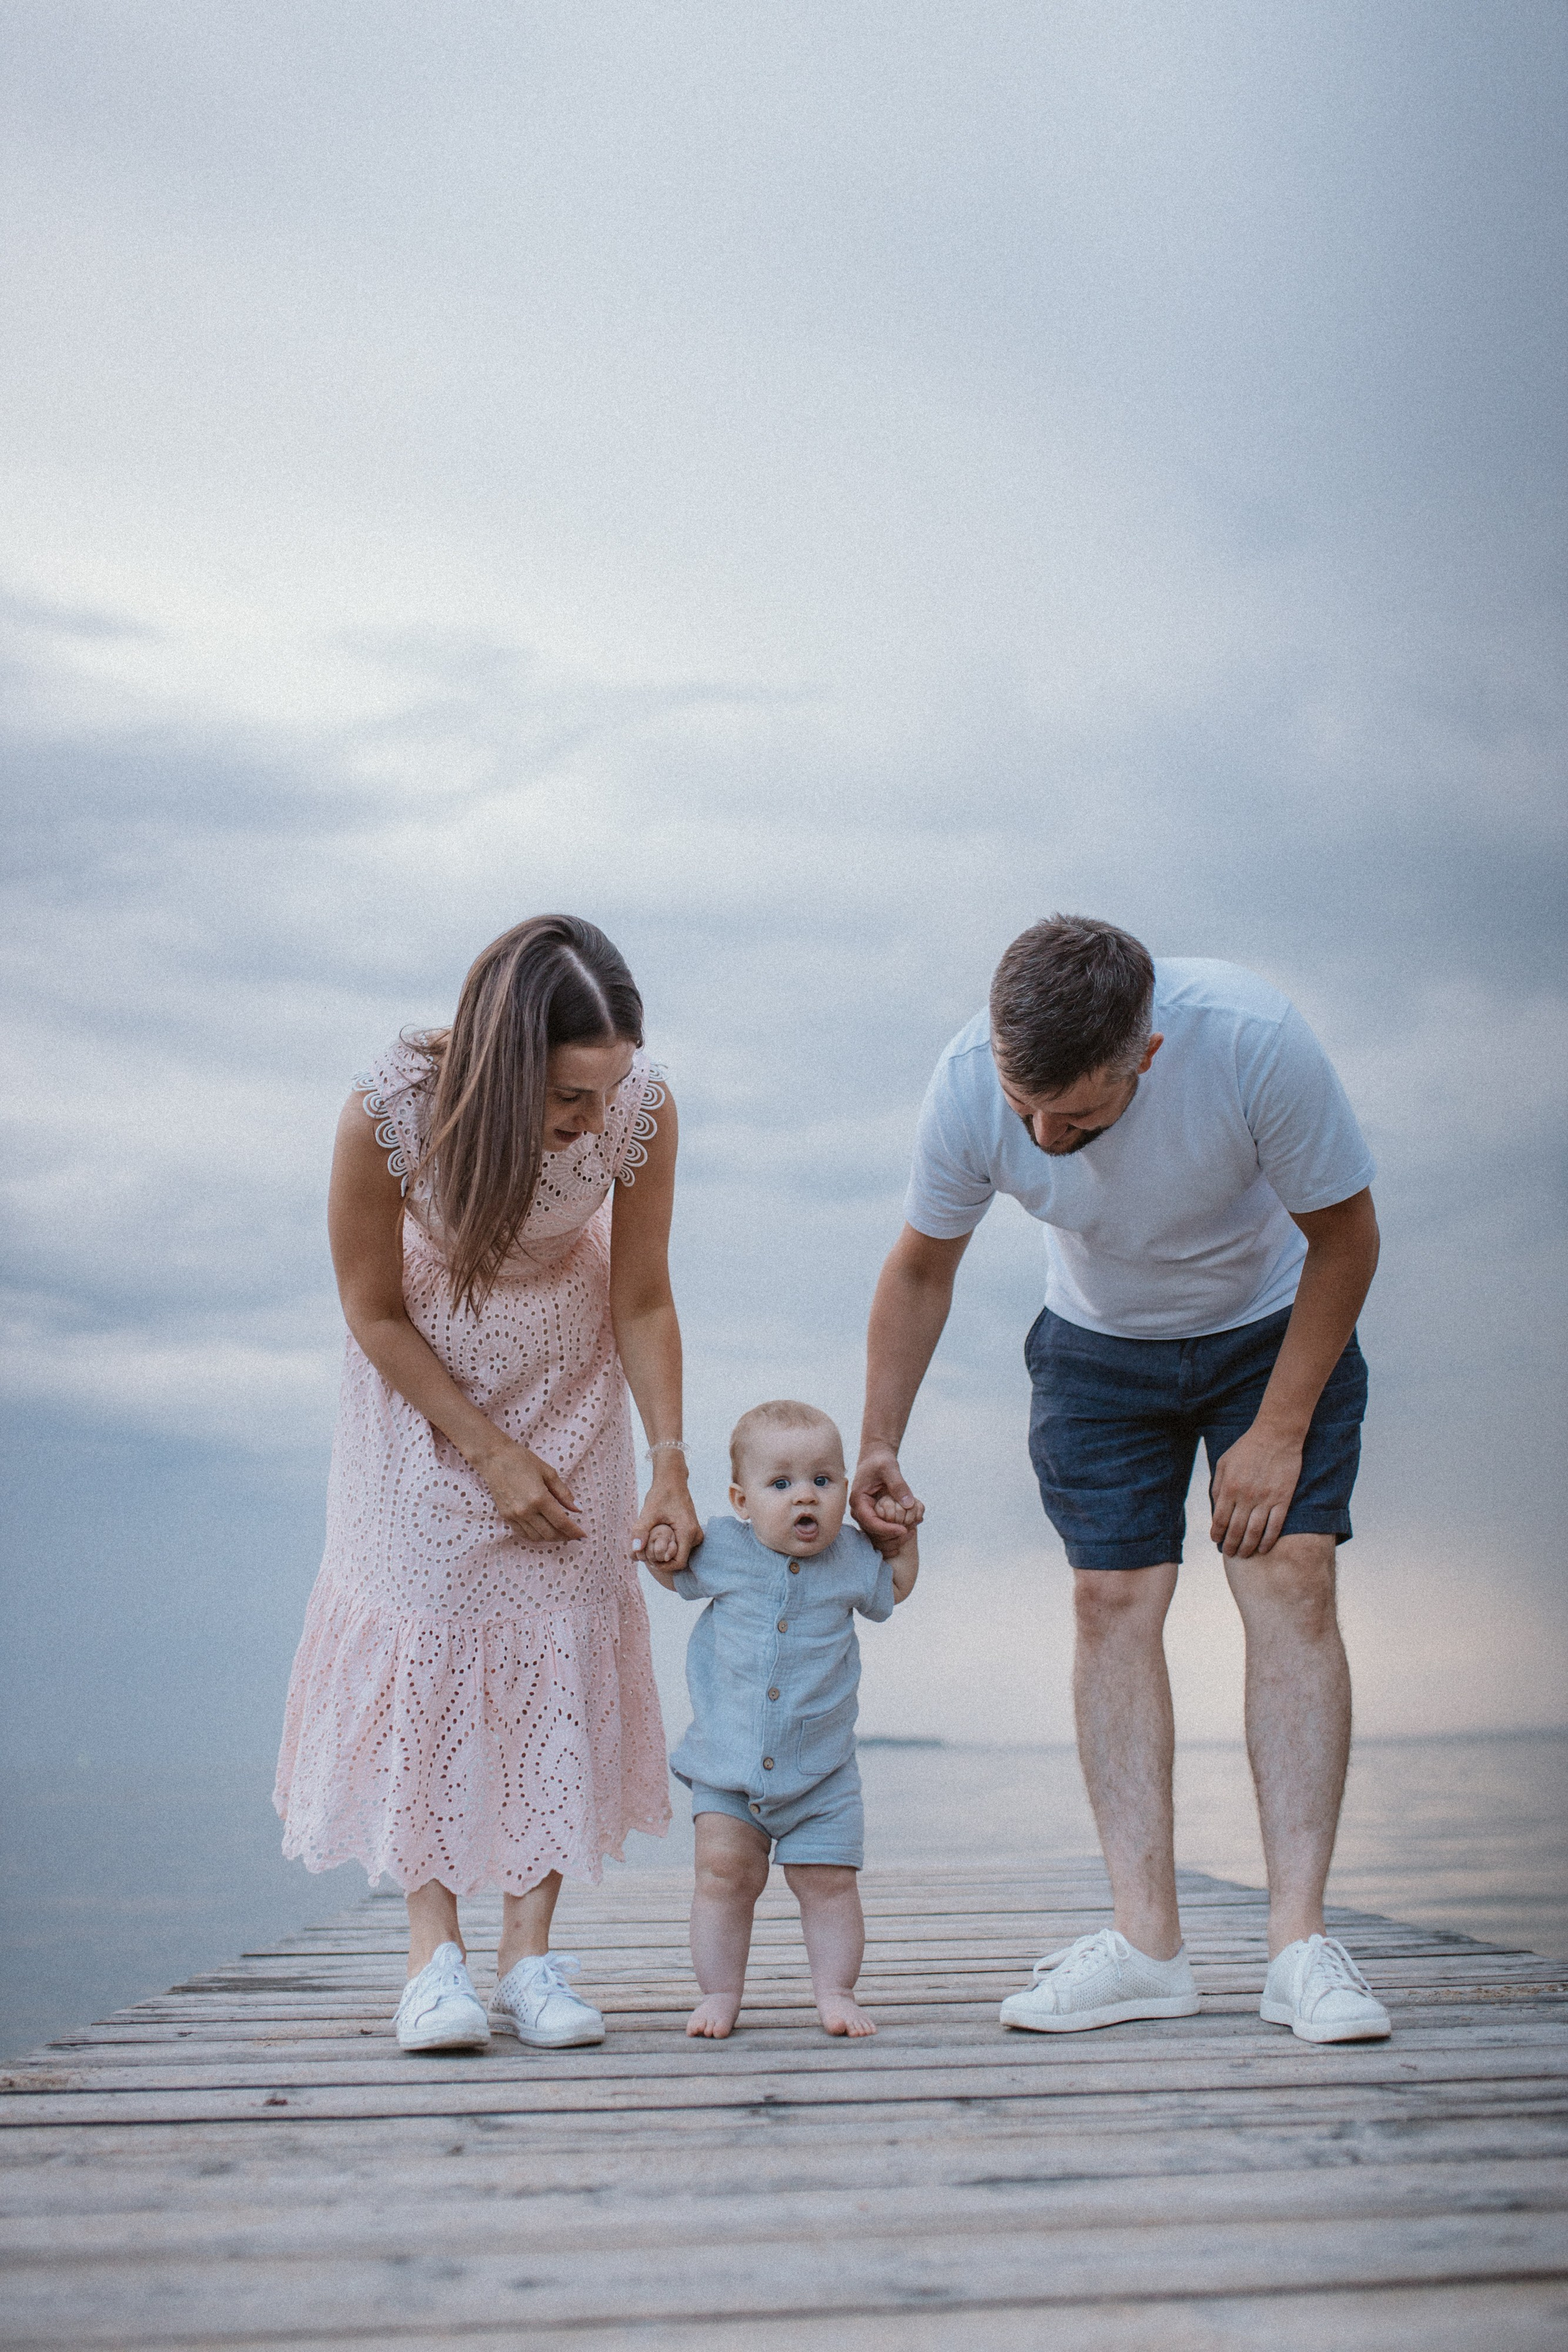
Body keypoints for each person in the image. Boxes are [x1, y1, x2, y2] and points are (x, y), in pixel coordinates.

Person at [853, 916, 1393, 2046]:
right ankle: (1147, 1948)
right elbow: (919, 1267)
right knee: (1110, 1602)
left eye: (1079, 1115)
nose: (1044, 1134)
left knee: (1288, 1580)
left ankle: (1298, 1947)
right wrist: (878, 1441)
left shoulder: (1251, 1042)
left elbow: (1347, 1239)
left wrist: (1280, 1428)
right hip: (1097, 1346)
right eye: (1024, 1108)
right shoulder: (965, 1086)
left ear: (1143, 1056)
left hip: (1272, 1330)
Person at [274, 915, 701, 2055]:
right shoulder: (388, 1114)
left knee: (558, 1634)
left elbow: (646, 1296)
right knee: (435, 1636)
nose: (591, 1121)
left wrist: (668, 1462)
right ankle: (433, 1962)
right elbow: (370, 1308)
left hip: (570, 1366)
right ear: (503, 1065)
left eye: (606, 1092)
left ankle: (530, 1957)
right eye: (569, 1095)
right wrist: (486, 1450)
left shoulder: (639, 1109)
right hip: (427, 1379)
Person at [651, 1400, 919, 2040]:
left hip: (822, 1776)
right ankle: (719, 1993)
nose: (807, 1497)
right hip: (727, 1765)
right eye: (782, 1484)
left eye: (824, 1481)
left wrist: (903, 1540)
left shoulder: (854, 1558)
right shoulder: (722, 1546)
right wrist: (663, 1548)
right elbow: (673, 1570)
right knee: (722, 1877)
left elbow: (896, 1589)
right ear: (742, 1501)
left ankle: (836, 1990)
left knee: (828, 1885)